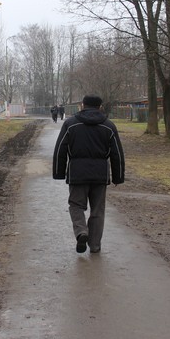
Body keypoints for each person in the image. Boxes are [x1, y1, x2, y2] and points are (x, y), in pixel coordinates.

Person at [52, 95, 125, 254]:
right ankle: (95, 246)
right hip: (100, 174)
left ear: (82, 105)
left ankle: (81, 231)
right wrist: (118, 176)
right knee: (97, 210)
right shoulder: (108, 126)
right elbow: (117, 153)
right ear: (100, 107)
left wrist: (59, 172)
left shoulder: (71, 124)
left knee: (76, 205)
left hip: (77, 173)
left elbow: (60, 149)